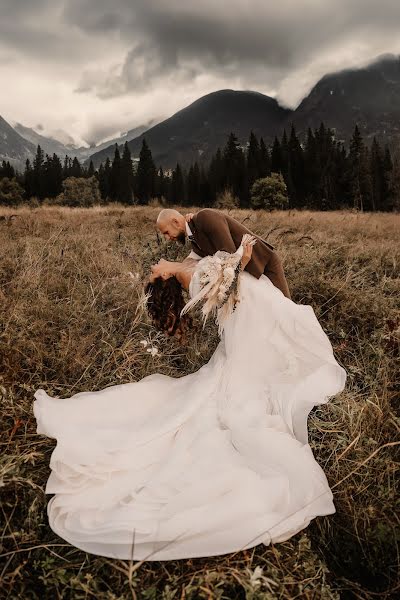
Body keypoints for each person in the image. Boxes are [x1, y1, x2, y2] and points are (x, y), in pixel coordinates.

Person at [33, 234, 346, 561]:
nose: (152, 266)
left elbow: (209, 254)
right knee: (244, 390)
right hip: (246, 326)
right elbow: (224, 290)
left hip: (253, 316)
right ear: (165, 277)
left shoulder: (188, 262)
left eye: (150, 270)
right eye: (153, 272)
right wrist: (240, 257)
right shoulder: (191, 279)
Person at [156, 207, 291, 299]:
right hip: (247, 275)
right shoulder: (193, 238)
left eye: (166, 233)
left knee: (286, 308)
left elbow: (230, 254)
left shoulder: (204, 217)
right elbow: (191, 261)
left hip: (263, 263)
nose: (168, 238)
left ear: (175, 222)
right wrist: (172, 271)